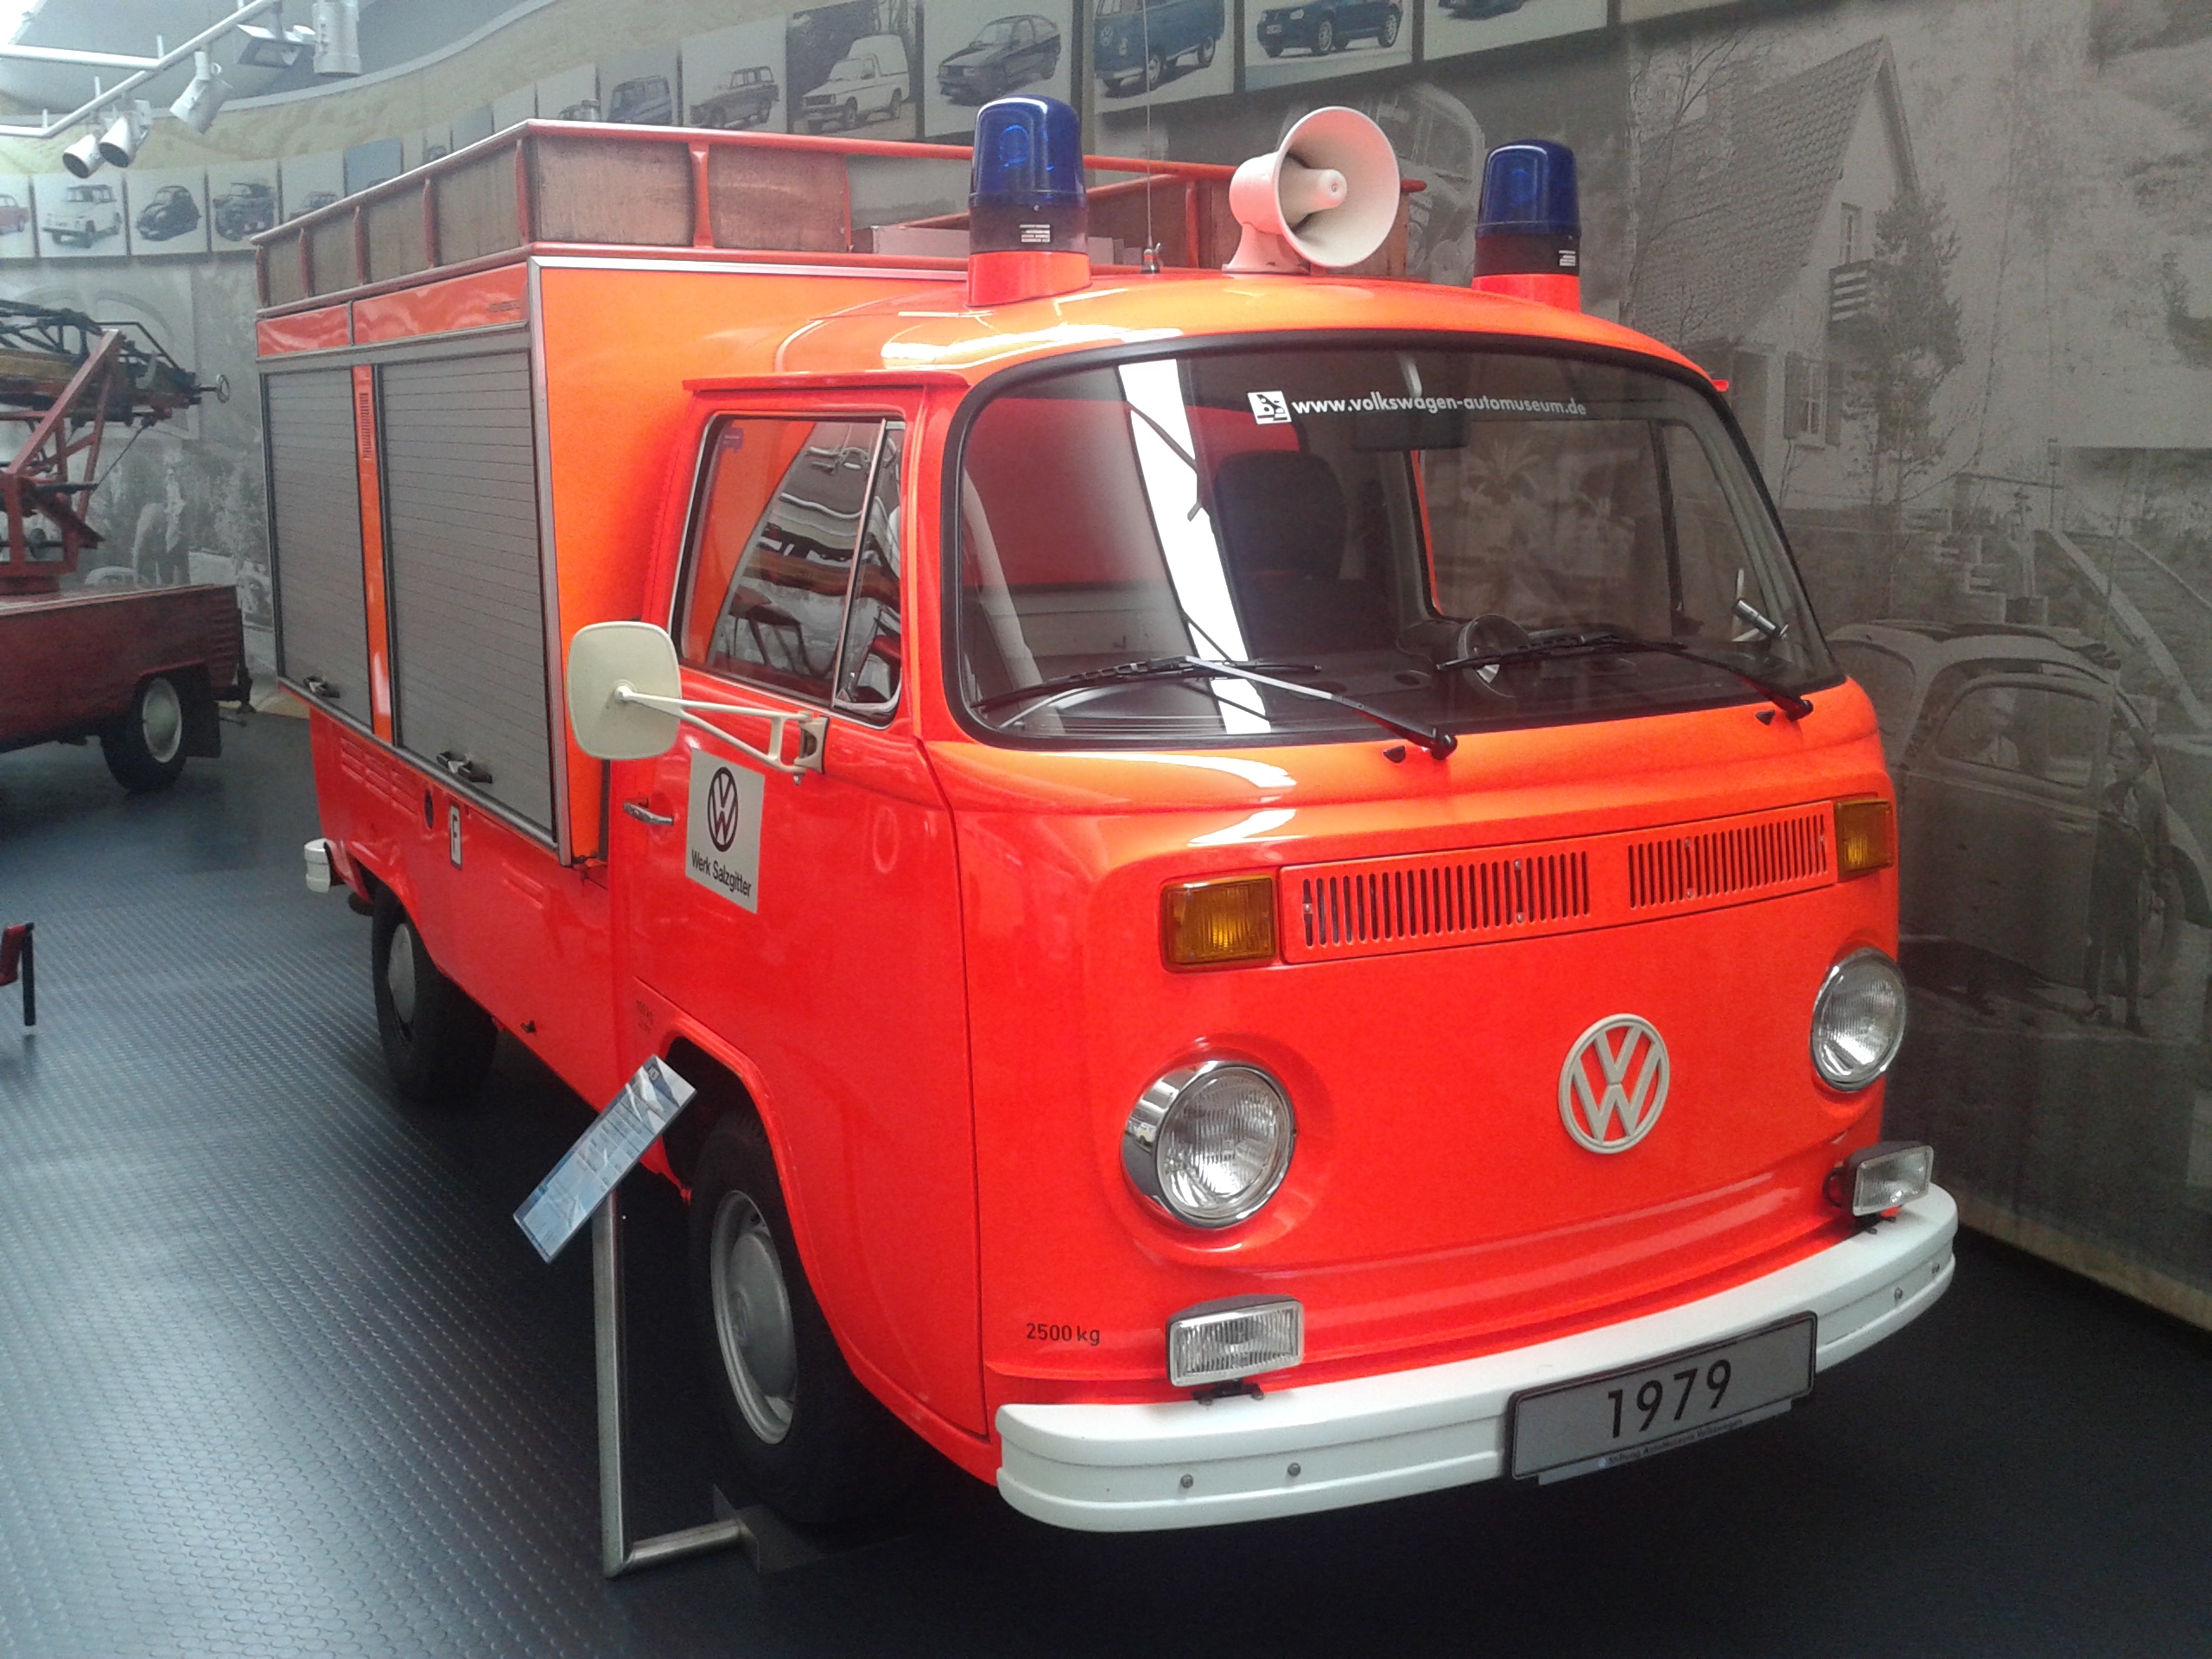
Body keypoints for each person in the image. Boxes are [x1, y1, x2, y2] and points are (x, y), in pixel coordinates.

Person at [2084, 721, 2167, 1033]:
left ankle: (2133, 1011)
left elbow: (2161, 846)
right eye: (2114, 756)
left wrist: (2159, 889)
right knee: (2104, 944)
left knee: (2134, 951)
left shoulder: (2153, 801)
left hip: (2137, 887)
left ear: (2142, 764)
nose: (2115, 763)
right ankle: (2101, 1005)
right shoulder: (2108, 795)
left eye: (2122, 758)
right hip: (2109, 882)